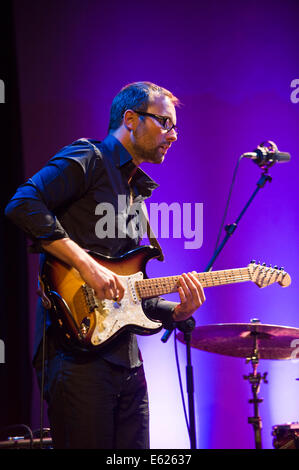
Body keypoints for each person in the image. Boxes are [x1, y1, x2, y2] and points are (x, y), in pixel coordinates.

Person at [5, 81, 206, 449]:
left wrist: (177, 310)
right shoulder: (90, 157)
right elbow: (22, 203)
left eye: (175, 126)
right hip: (75, 354)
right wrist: (86, 265)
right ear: (131, 119)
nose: (173, 135)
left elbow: (128, 293)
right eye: (166, 123)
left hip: (127, 362)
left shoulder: (134, 190)